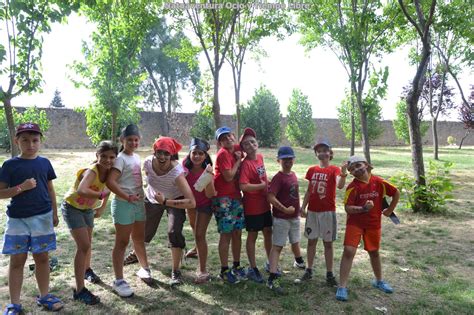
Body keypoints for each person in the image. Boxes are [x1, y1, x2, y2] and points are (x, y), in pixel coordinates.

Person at [0, 123, 63, 313]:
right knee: (17, 261)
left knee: (42, 258)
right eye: (25, 140)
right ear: (16, 141)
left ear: (40, 141)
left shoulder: (45, 163)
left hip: (42, 218)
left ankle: (44, 296)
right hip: (18, 220)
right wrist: (22, 187)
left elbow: (50, 189)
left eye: (35, 140)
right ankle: (15, 304)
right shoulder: (10, 165)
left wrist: (54, 212)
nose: (31, 144)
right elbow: (1, 192)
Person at [336, 156, 400, 302]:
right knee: (348, 251)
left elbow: (396, 192)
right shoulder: (352, 187)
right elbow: (347, 208)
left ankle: (379, 281)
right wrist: (363, 208)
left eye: (358, 165)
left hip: (373, 224)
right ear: (350, 173)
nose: (356, 169)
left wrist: (390, 210)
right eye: (352, 169)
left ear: (366, 164)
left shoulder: (379, 182)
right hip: (355, 224)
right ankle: (342, 286)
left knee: (374, 252)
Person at [61, 141, 118, 305]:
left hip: (87, 209)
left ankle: (87, 270)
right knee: (83, 246)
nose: (108, 160)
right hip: (72, 207)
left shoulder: (110, 172)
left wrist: (102, 207)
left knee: (88, 244)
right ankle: (79, 290)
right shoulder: (92, 171)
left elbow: (109, 188)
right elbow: (81, 190)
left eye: (112, 157)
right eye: (104, 156)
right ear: (97, 156)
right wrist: (100, 196)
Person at [142, 137, 196, 285]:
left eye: (166, 153)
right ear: (154, 151)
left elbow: (191, 202)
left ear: (171, 154)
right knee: (145, 231)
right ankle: (138, 255)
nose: (162, 157)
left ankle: (176, 271)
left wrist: (166, 201)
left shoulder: (176, 172)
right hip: (153, 198)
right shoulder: (147, 162)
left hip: (173, 199)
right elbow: (147, 175)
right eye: (159, 152)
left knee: (174, 232)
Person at [106, 124, 150, 297]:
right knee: (122, 242)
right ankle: (119, 280)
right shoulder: (120, 158)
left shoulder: (137, 157)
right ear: (122, 140)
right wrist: (126, 196)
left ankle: (144, 269)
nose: (133, 142)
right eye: (129, 139)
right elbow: (111, 181)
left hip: (138, 203)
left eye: (136, 139)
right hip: (124, 204)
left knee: (139, 238)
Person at [295, 141, 347, 286]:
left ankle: (329, 274)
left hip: (327, 212)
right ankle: (309, 270)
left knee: (328, 243)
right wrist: (303, 207)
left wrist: (343, 173)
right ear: (316, 154)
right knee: (311, 241)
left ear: (330, 153)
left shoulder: (334, 169)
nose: (322, 153)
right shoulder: (312, 170)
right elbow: (309, 190)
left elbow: (340, 185)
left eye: (325, 150)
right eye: (319, 151)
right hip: (312, 211)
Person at [266, 146, 305, 294]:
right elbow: (270, 197)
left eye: (290, 159)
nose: (288, 161)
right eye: (285, 159)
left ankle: (299, 261)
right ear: (278, 160)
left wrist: (300, 209)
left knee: (295, 241)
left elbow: (294, 195)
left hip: (294, 218)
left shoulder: (293, 175)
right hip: (281, 219)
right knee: (277, 247)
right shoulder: (278, 178)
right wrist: (284, 209)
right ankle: (272, 277)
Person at [239, 128, 272, 283]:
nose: (250, 145)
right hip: (252, 207)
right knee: (253, 235)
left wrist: (268, 184)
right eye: (246, 144)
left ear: (257, 143)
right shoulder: (245, 164)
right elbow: (243, 186)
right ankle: (253, 268)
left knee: (268, 232)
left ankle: (271, 262)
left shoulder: (260, 157)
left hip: (265, 204)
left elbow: (262, 177)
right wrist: (261, 186)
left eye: (252, 141)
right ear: (243, 149)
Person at [213, 126, 245, 283]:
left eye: (229, 136)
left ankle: (236, 265)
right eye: (223, 138)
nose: (227, 139)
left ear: (234, 136)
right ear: (220, 143)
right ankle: (224, 270)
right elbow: (228, 176)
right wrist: (239, 160)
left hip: (236, 197)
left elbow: (248, 142)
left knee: (237, 232)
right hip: (223, 199)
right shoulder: (223, 154)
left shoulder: (236, 147)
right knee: (226, 234)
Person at [183, 138, 217, 283]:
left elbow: (210, 194)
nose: (197, 156)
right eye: (194, 153)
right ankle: (197, 249)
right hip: (191, 203)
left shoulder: (208, 170)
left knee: (199, 234)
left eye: (201, 154)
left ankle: (202, 270)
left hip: (205, 204)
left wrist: (208, 177)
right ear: (190, 153)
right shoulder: (185, 166)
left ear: (205, 155)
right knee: (193, 227)